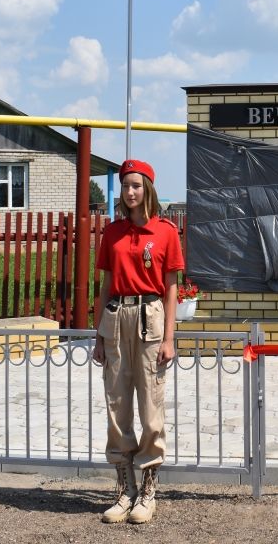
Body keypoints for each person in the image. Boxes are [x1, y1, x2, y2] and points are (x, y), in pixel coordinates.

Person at [93, 159, 184, 524]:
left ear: (148, 187)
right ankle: (124, 489)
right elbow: (104, 284)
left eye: (136, 185)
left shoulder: (166, 232)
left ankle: (148, 490)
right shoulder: (112, 233)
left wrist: (169, 338)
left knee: (150, 407)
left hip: (150, 319)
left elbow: (172, 289)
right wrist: (99, 334)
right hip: (116, 318)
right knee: (117, 406)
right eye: (126, 185)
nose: (130, 192)